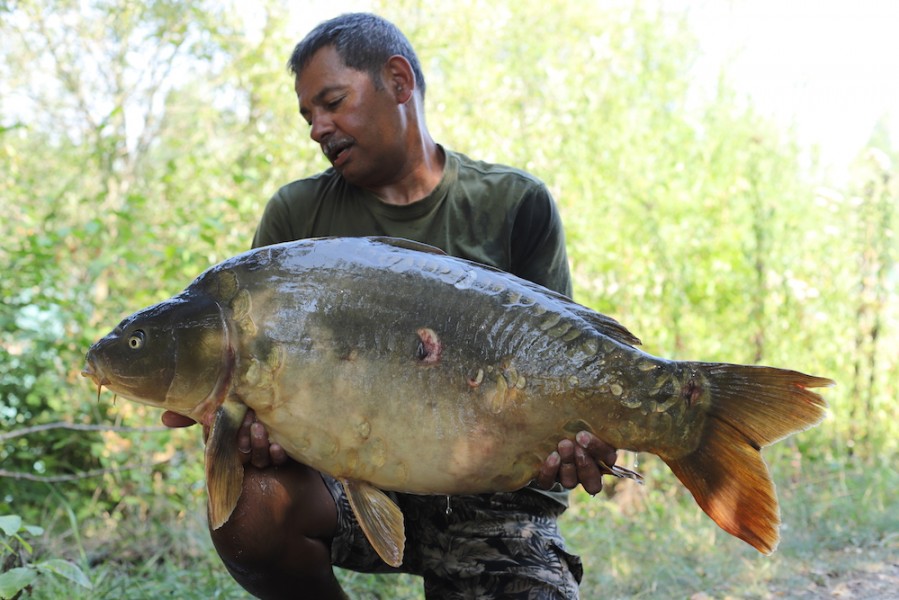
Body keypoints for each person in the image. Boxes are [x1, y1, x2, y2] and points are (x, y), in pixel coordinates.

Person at [163, 13, 619, 599]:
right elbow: (251, 385)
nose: (317, 128)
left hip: (494, 498)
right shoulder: (295, 220)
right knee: (252, 509)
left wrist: (581, 436)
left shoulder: (513, 202)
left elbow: (567, 362)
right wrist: (250, 427)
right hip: (342, 483)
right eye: (308, 115)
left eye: (332, 102)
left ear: (399, 82)